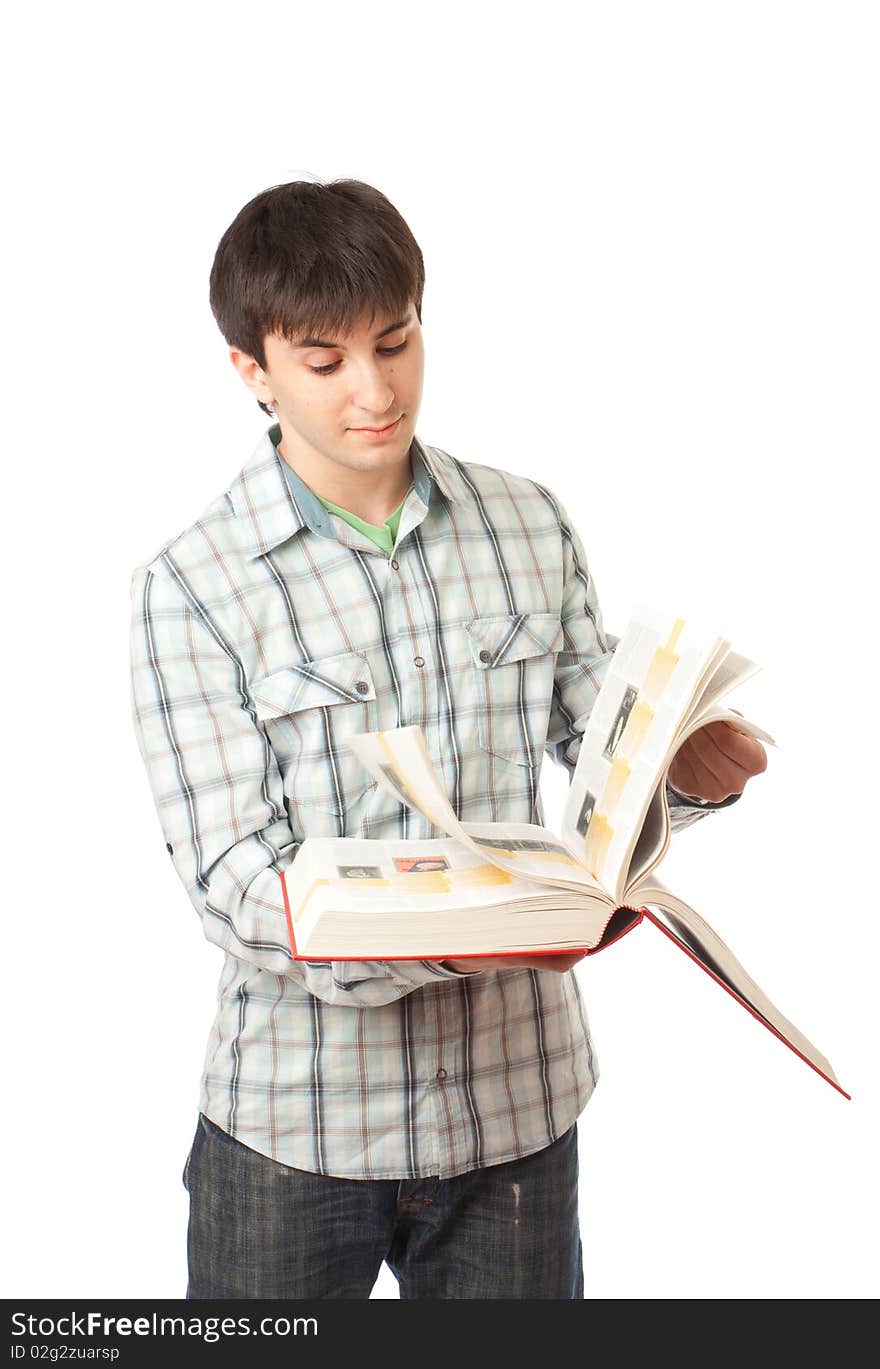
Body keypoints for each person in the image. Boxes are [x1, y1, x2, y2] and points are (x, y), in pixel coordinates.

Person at [128, 178, 767, 1300]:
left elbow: (593, 748)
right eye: (323, 363)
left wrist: (685, 766)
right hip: (294, 1124)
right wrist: (442, 939)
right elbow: (232, 881)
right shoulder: (191, 586)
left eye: (396, 341)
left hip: (513, 1113)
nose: (374, 392)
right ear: (252, 370)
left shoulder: (528, 520)